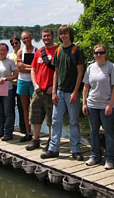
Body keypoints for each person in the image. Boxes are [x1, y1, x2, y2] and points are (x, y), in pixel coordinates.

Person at [40, 25, 84, 161]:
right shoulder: (58, 51)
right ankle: (53, 148)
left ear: (70, 35)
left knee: (73, 122)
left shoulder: (77, 50)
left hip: (71, 93)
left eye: (66, 33)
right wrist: (53, 91)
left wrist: (76, 92)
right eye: (61, 34)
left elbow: (80, 73)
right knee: (55, 121)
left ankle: (75, 150)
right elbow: (56, 73)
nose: (63, 36)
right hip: (59, 92)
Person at [82, 44, 114, 169]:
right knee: (94, 132)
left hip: (106, 105)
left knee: (108, 132)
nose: (99, 55)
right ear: (93, 54)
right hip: (92, 104)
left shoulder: (112, 67)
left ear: (105, 54)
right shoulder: (90, 68)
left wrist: (110, 104)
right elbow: (86, 86)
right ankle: (95, 155)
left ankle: (110, 158)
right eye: (96, 53)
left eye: (101, 52)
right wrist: (84, 102)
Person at [25, 28, 57, 151]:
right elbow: (33, 69)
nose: (46, 38)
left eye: (48, 36)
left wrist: (54, 87)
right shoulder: (39, 51)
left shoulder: (58, 51)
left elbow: (60, 72)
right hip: (38, 90)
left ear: (52, 36)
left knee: (50, 118)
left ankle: (51, 140)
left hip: (50, 91)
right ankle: (36, 139)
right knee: (35, 116)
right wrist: (35, 84)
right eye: (44, 36)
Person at [17, 31, 37, 142]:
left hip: (33, 82)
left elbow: (38, 67)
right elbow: (19, 68)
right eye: (23, 39)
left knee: (34, 108)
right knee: (25, 108)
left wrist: (26, 66)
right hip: (22, 81)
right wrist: (32, 67)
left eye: (27, 38)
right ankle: (28, 132)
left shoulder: (37, 50)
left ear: (31, 38)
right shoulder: (21, 51)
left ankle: (35, 133)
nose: (25, 40)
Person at [7, 36, 26, 134]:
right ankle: (11, 127)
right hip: (11, 84)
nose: (15, 45)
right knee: (10, 107)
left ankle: (23, 127)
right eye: (13, 44)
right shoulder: (9, 56)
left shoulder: (24, 53)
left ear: (20, 43)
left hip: (21, 83)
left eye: (16, 43)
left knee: (22, 107)